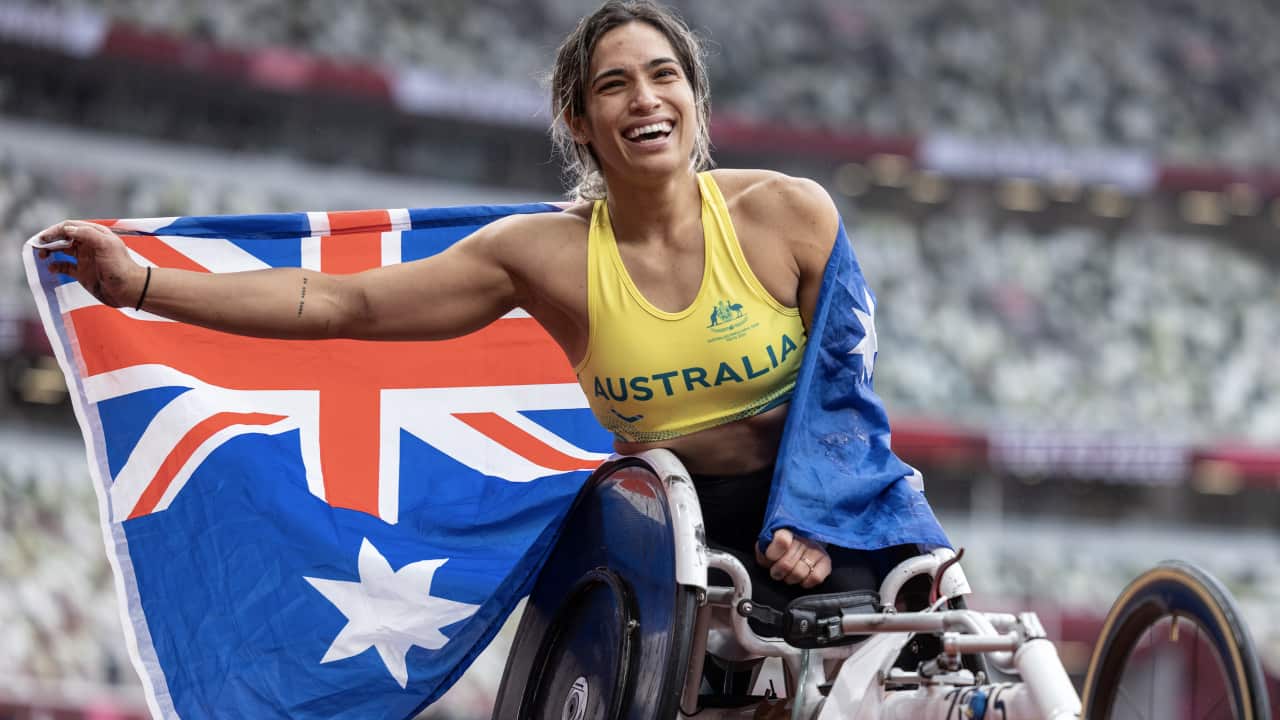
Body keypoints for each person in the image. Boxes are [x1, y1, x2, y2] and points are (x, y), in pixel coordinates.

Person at [35, 0, 902, 600]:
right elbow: (344, 305)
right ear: (577, 120)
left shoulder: (790, 213)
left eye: (664, 75)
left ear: (693, 97)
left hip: (830, 502)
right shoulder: (542, 257)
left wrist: (811, 520)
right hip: (674, 535)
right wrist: (139, 284)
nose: (645, 99)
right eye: (613, 85)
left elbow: (845, 396)